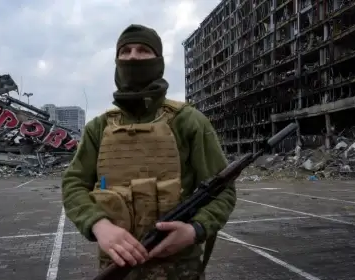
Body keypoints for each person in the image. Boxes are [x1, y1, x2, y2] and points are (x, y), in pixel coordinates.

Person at [61, 24, 237, 280]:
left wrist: (195, 230)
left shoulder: (189, 121)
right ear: (117, 61)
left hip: (179, 269)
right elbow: (74, 184)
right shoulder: (98, 128)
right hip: (116, 266)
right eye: (125, 51)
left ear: (158, 61)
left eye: (143, 50)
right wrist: (99, 225)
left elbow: (223, 188)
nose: (132, 56)